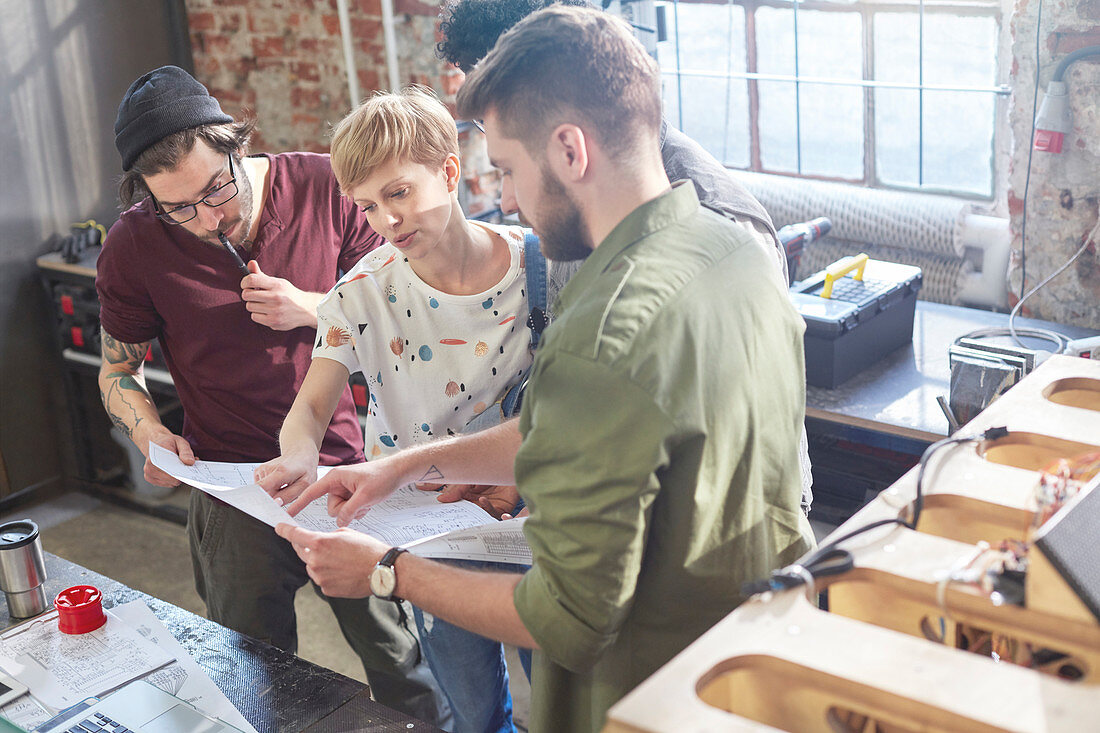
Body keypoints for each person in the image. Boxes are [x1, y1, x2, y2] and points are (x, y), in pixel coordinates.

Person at [275, 7, 816, 732]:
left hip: (647, 691)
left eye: (506, 168)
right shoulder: (736, 249)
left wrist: (384, 569)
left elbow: (567, 618)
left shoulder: (601, 329)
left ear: (568, 150)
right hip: (753, 652)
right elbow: (578, 429)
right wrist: (406, 468)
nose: (504, 196)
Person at [95, 65, 445, 725]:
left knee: (401, 662)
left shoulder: (324, 187)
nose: (208, 217)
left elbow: (409, 318)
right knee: (249, 668)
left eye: (216, 189)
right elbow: (117, 372)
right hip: (231, 485)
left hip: (344, 472)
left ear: (236, 145)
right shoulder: (134, 245)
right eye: (179, 208)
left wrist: (313, 307)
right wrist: (148, 433)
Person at [438, 0, 814, 514]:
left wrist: (391, 570)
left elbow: (721, 452)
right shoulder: (575, 210)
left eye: (498, 122)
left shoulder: (721, 225)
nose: (506, 200)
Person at [253, 86, 532, 733]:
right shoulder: (361, 293)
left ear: (450, 170)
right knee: (473, 710)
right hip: (427, 536)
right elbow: (313, 403)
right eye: (368, 206)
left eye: (399, 193)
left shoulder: (538, 270)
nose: (386, 220)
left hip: (537, 523)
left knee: (570, 689)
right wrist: (297, 451)